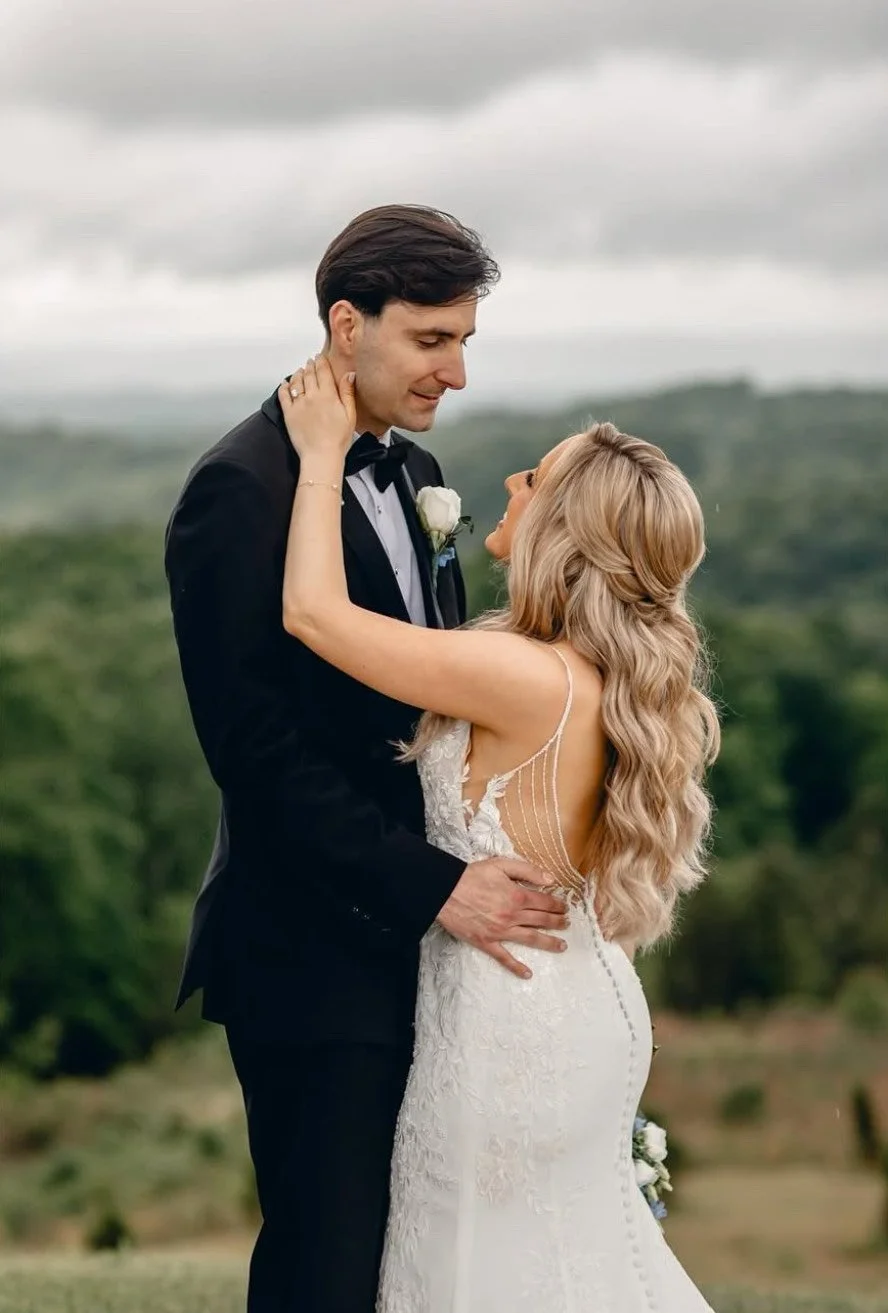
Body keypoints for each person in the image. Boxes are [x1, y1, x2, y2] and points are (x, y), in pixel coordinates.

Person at [164, 204, 568, 1313]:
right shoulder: (239, 488)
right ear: (349, 324)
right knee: (326, 1268)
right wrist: (441, 888)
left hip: (425, 949)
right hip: (309, 952)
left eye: (465, 342)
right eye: (433, 340)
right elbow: (255, 756)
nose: (458, 372)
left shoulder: (417, 468)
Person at [277, 354, 721, 1311]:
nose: (513, 482)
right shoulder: (596, 677)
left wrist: (320, 456)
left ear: (569, 528)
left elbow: (313, 614)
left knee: (488, 1272)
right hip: (570, 994)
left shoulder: (525, 676)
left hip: (509, 1019)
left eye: (538, 477)